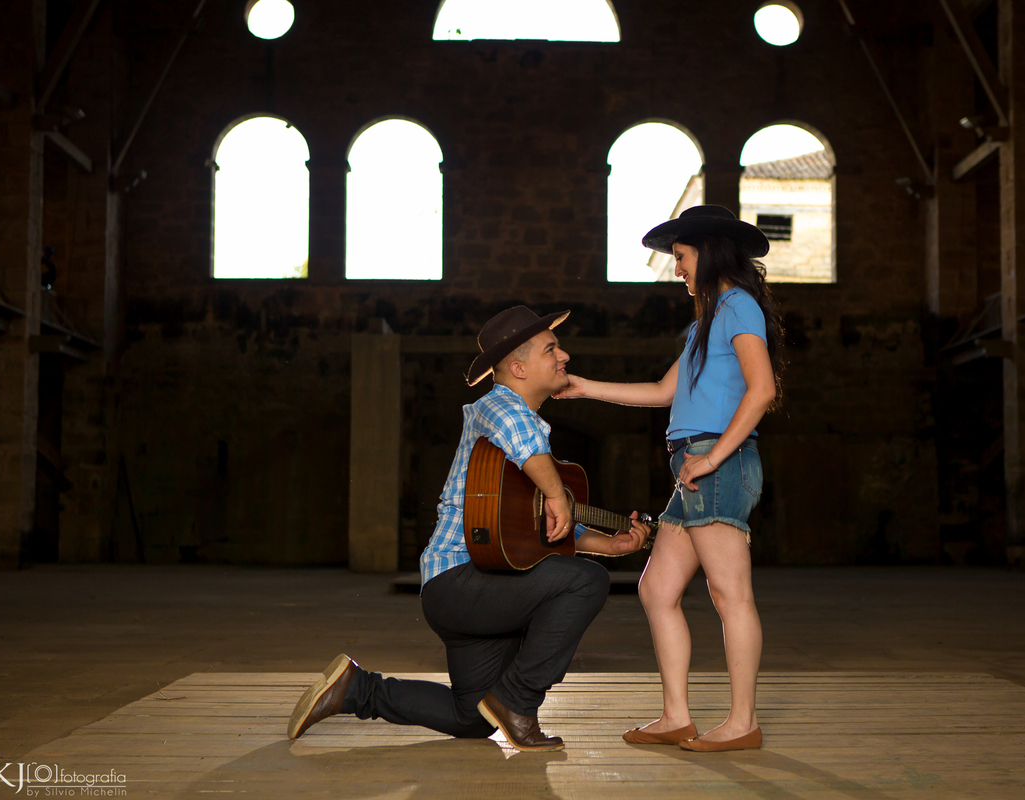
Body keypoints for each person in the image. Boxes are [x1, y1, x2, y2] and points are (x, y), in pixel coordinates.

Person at [287, 306, 650, 751]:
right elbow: (524, 444)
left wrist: (613, 544)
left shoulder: (534, 449)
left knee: (472, 717)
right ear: (517, 368)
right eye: (552, 349)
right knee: (585, 583)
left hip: (486, 588)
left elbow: (545, 533)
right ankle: (519, 701)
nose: (566, 356)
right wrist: (558, 495)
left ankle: (355, 690)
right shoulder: (496, 408)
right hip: (460, 581)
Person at [554, 205, 783, 752]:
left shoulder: (738, 307)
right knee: (657, 588)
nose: (677, 269)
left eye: (680, 258)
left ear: (707, 252)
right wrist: (584, 387)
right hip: (693, 466)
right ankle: (676, 716)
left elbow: (763, 389)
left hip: (715, 463)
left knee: (731, 596)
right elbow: (663, 392)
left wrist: (712, 457)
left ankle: (743, 723)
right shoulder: (704, 322)